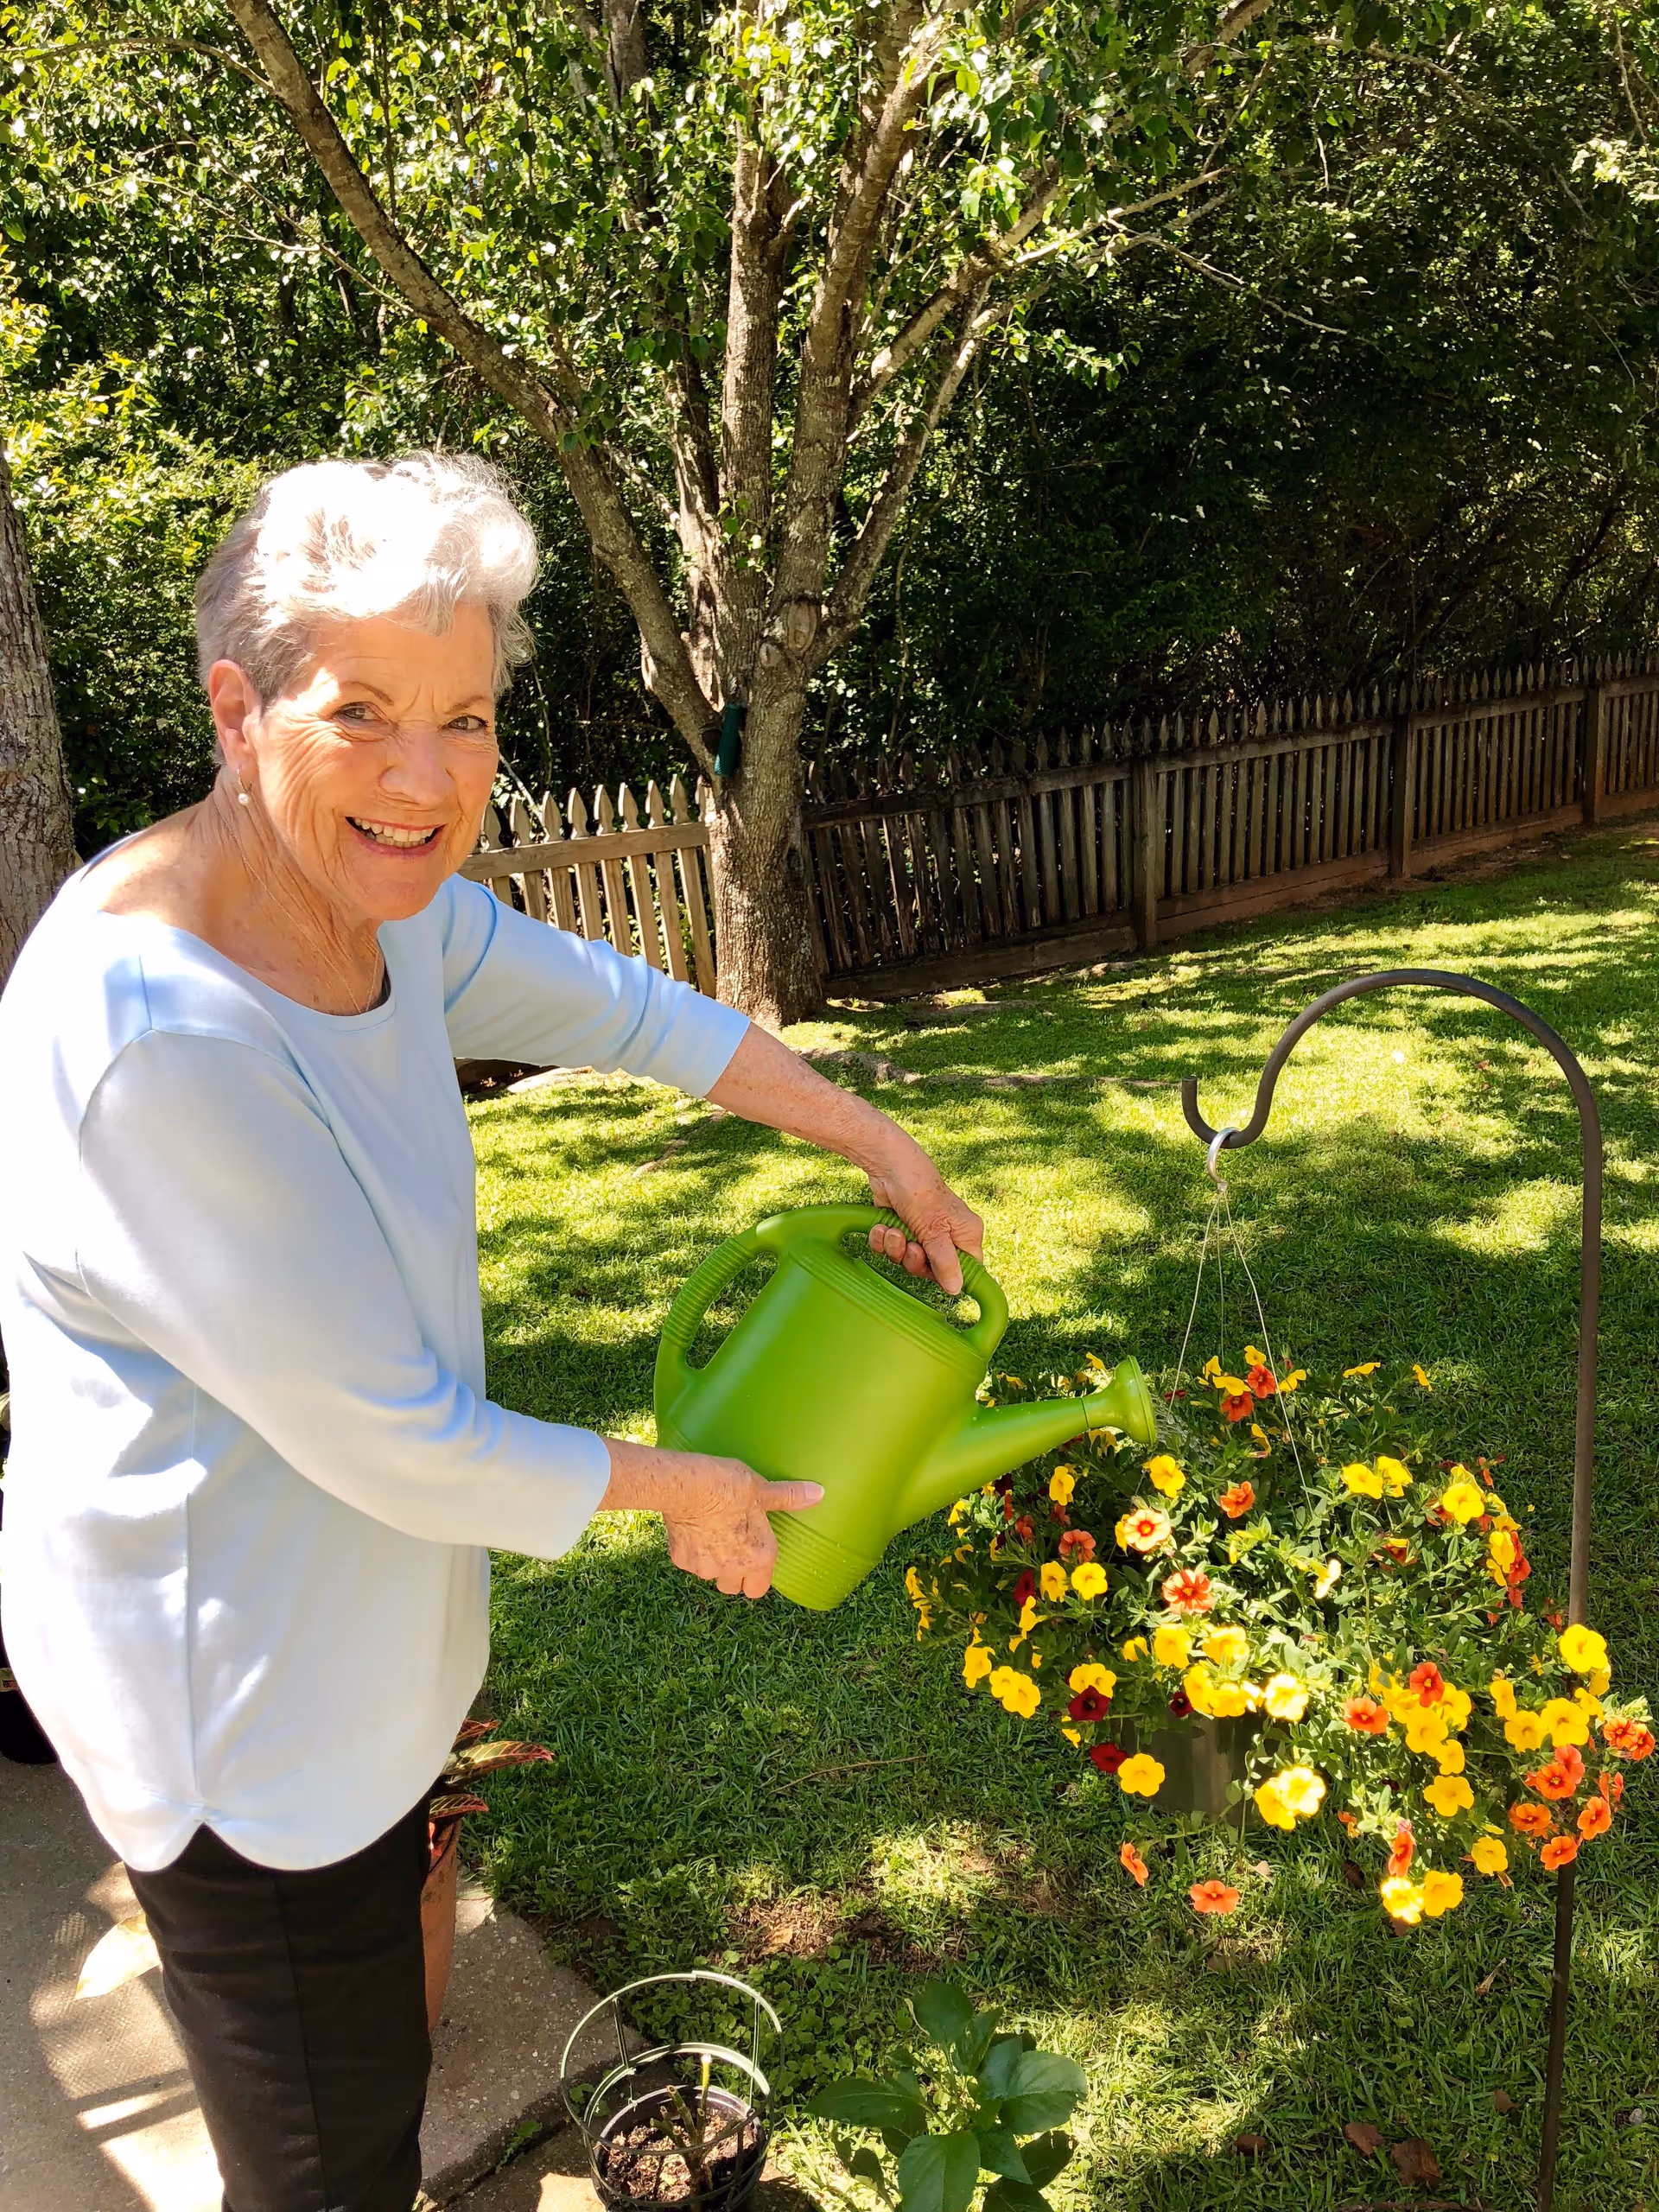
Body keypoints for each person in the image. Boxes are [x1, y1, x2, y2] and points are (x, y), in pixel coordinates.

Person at [0, 452, 982, 2212]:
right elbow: (398, 1434)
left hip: (357, 1643)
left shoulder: (383, 913)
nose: (427, 776)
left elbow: (626, 1008)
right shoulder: (162, 1035)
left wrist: (871, 1134)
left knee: (378, 2055)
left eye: (466, 717)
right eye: (359, 709)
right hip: (240, 1713)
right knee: (322, 2163)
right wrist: (686, 1484)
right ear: (238, 707)